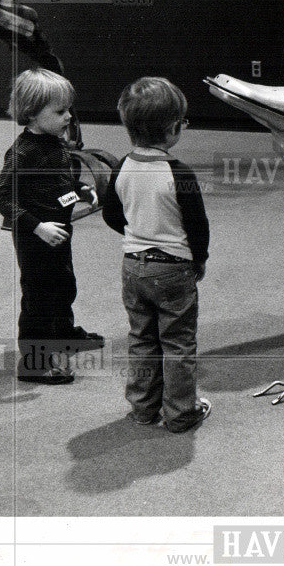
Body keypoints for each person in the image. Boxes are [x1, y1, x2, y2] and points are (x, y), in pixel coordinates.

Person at [103, 77, 212, 433]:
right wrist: (200, 259)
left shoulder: (121, 166)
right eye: (183, 122)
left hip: (133, 267)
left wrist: (137, 234)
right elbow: (197, 225)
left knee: (142, 338)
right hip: (173, 269)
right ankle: (180, 414)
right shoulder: (179, 173)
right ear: (171, 130)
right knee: (178, 342)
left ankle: (142, 408)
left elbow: (111, 214)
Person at [0, 68, 104, 384]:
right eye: (59, 111)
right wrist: (37, 227)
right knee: (38, 299)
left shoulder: (55, 143)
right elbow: (3, 198)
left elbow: (59, 181)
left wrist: (81, 190)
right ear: (31, 113)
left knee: (63, 286)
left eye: (69, 109)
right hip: (35, 238)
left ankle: (63, 335)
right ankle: (33, 363)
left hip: (59, 232)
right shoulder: (21, 153)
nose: (69, 116)